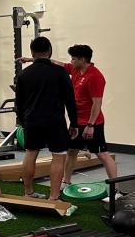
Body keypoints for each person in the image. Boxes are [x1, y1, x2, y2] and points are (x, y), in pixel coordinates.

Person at [22, 44, 117, 187]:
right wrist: (31, 59)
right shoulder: (76, 69)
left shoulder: (95, 76)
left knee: (102, 154)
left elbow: (97, 104)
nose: (71, 61)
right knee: (71, 151)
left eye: (73, 58)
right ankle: (66, 182)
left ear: (83, 59)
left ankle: (115, 188)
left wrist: (90, 125)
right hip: (76, 122)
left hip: (92, 123)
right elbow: (56, 63)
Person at [15, 37, 78, 201]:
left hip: (32, 121)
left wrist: (22, 121)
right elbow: (70, 100)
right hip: (54, 121)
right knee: (58, 156)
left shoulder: (23, 75)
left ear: (32, 53)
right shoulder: (60, 72)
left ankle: (28, 193)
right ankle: (53, 197)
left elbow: (19, 104)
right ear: (49, 51)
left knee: (30, 153)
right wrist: (74, 123)